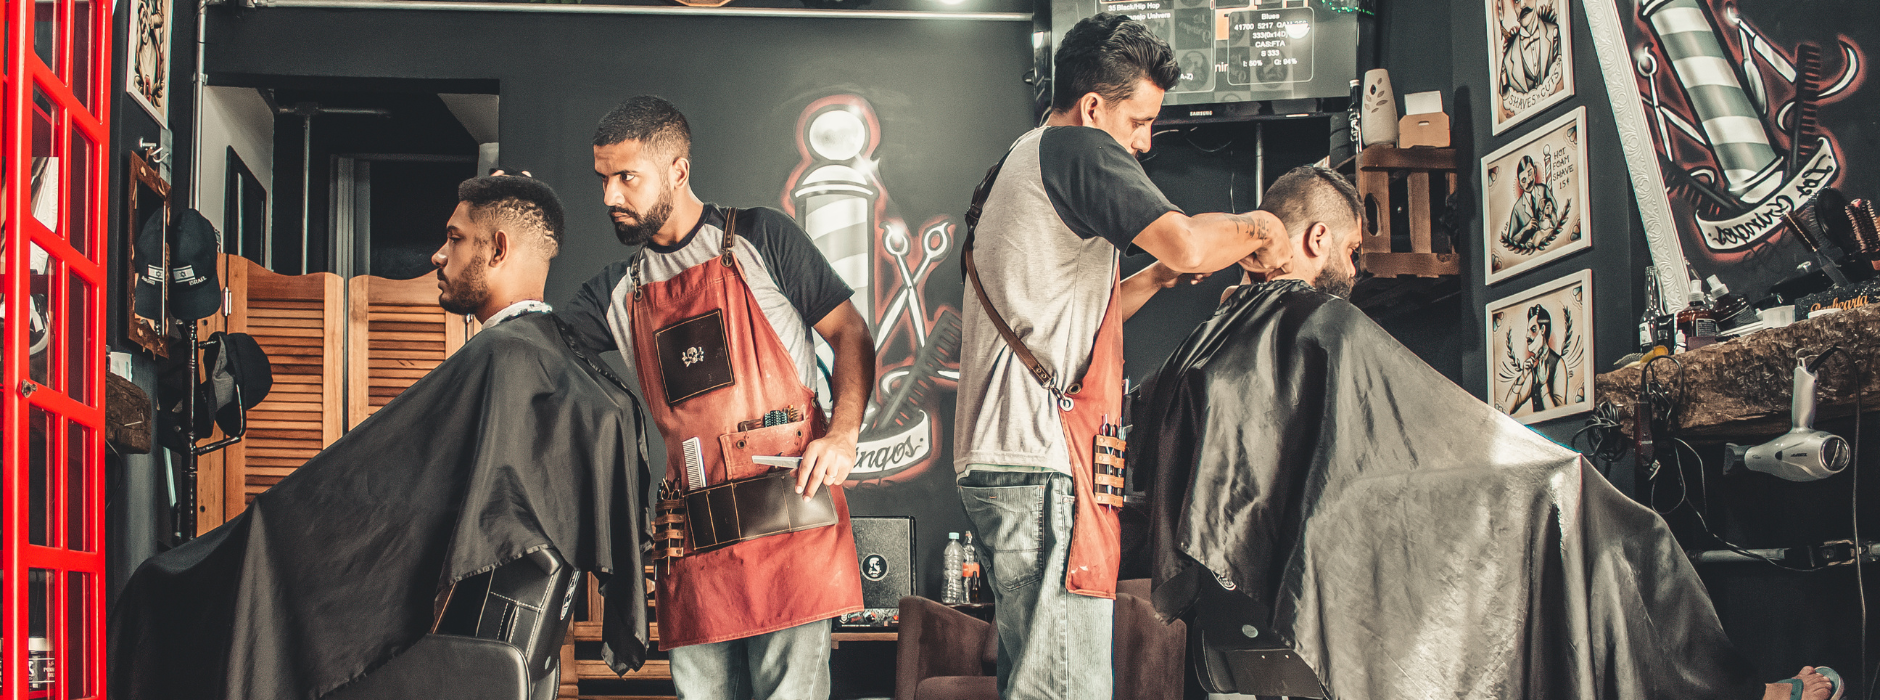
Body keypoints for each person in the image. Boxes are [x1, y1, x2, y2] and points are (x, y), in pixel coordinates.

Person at [1134, 165, 1840, 700]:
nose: (1353, 268)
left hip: (1237, 622)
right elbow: (1425, 447)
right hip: (1339, 582)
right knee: (1606, 519)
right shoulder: (1325, 324)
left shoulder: (1200, 344)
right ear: (1316, 239)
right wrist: (1547, 473)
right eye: (1349, 249)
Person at [109, 174, 654, 700]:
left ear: (498, 249)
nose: (438, 255)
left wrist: (265, 528)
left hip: (459, 664)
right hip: (504, 664)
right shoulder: (562, 365)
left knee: (163, 589)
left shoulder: (501, 359)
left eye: (455, 238)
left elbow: (365, 498)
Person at [952, 13, 1291, 700]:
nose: (1144, 141)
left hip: (1006, 463)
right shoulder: (1076, 149)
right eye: (1139, 121)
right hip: (1043, 463)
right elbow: (1188, 244)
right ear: (1093, 108)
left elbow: (1074, 316)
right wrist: (1262, 228)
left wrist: (1157, 277)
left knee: (1039, 680)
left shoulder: (1020, 162)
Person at [559, 95, 873, 700]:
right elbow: (536, 343)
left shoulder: (761, 238)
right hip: (694, 542)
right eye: (603, 179)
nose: (609, 195)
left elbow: (849, 333)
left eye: (627, 178)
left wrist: (843, 434)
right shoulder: (617, 292)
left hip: (789, 525)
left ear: (678, 170)